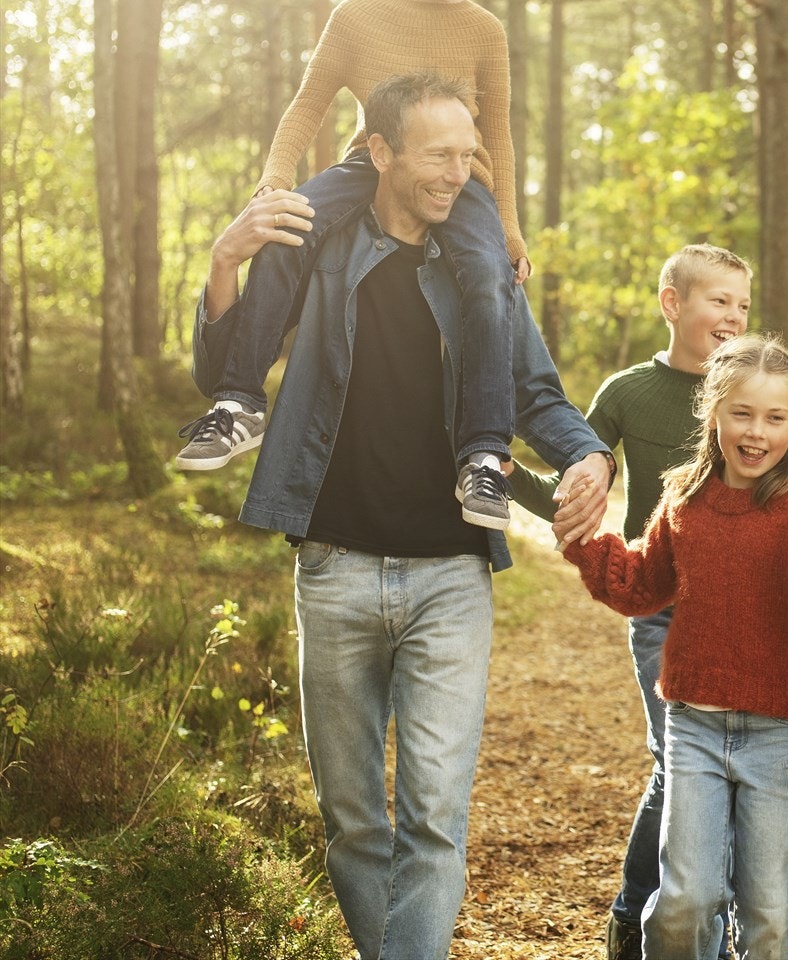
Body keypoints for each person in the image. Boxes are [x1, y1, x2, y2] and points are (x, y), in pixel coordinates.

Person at [191, 71, 613, 960]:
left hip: (451, 575)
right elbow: (225, 370)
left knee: (434, 820)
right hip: (335, 568)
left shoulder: (482, 270)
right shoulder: (322, 244)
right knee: (352, 823)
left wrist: (587, 453)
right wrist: (226, 261)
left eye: (468, 154)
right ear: (379, 152)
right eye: (437, 155)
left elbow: (537, 392)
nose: (458, 174)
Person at [562, 335, 788, 960]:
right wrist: (582, 540)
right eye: (741, 413)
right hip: (696, 727)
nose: (756, 432)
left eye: (774, 417)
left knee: (766, 915)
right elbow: (640, 584)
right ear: (713, 413)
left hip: (778, 733)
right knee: (685, 900)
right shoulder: (685, 492)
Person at [176, 0, 526, 533]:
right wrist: (277, 177)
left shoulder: (484, 31)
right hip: (374, 160)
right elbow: (308, 104)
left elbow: (498, 135)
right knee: (289, 227)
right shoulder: (358, 17)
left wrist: (507, 224)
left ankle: (483, 452)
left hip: (460, 171)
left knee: (485, 274)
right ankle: (240, 401)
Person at [510, 243, 753, 960]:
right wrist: (503, 471)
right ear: (673, 305)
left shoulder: (755, 391)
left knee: (729, 766)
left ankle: (702, 919)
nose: (734, 317)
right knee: (682, 760)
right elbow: (576, 485)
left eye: (742, 305)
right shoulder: (626, 392)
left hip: (741, 611)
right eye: (719, 301)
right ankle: (650, 918)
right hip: (663, 609)